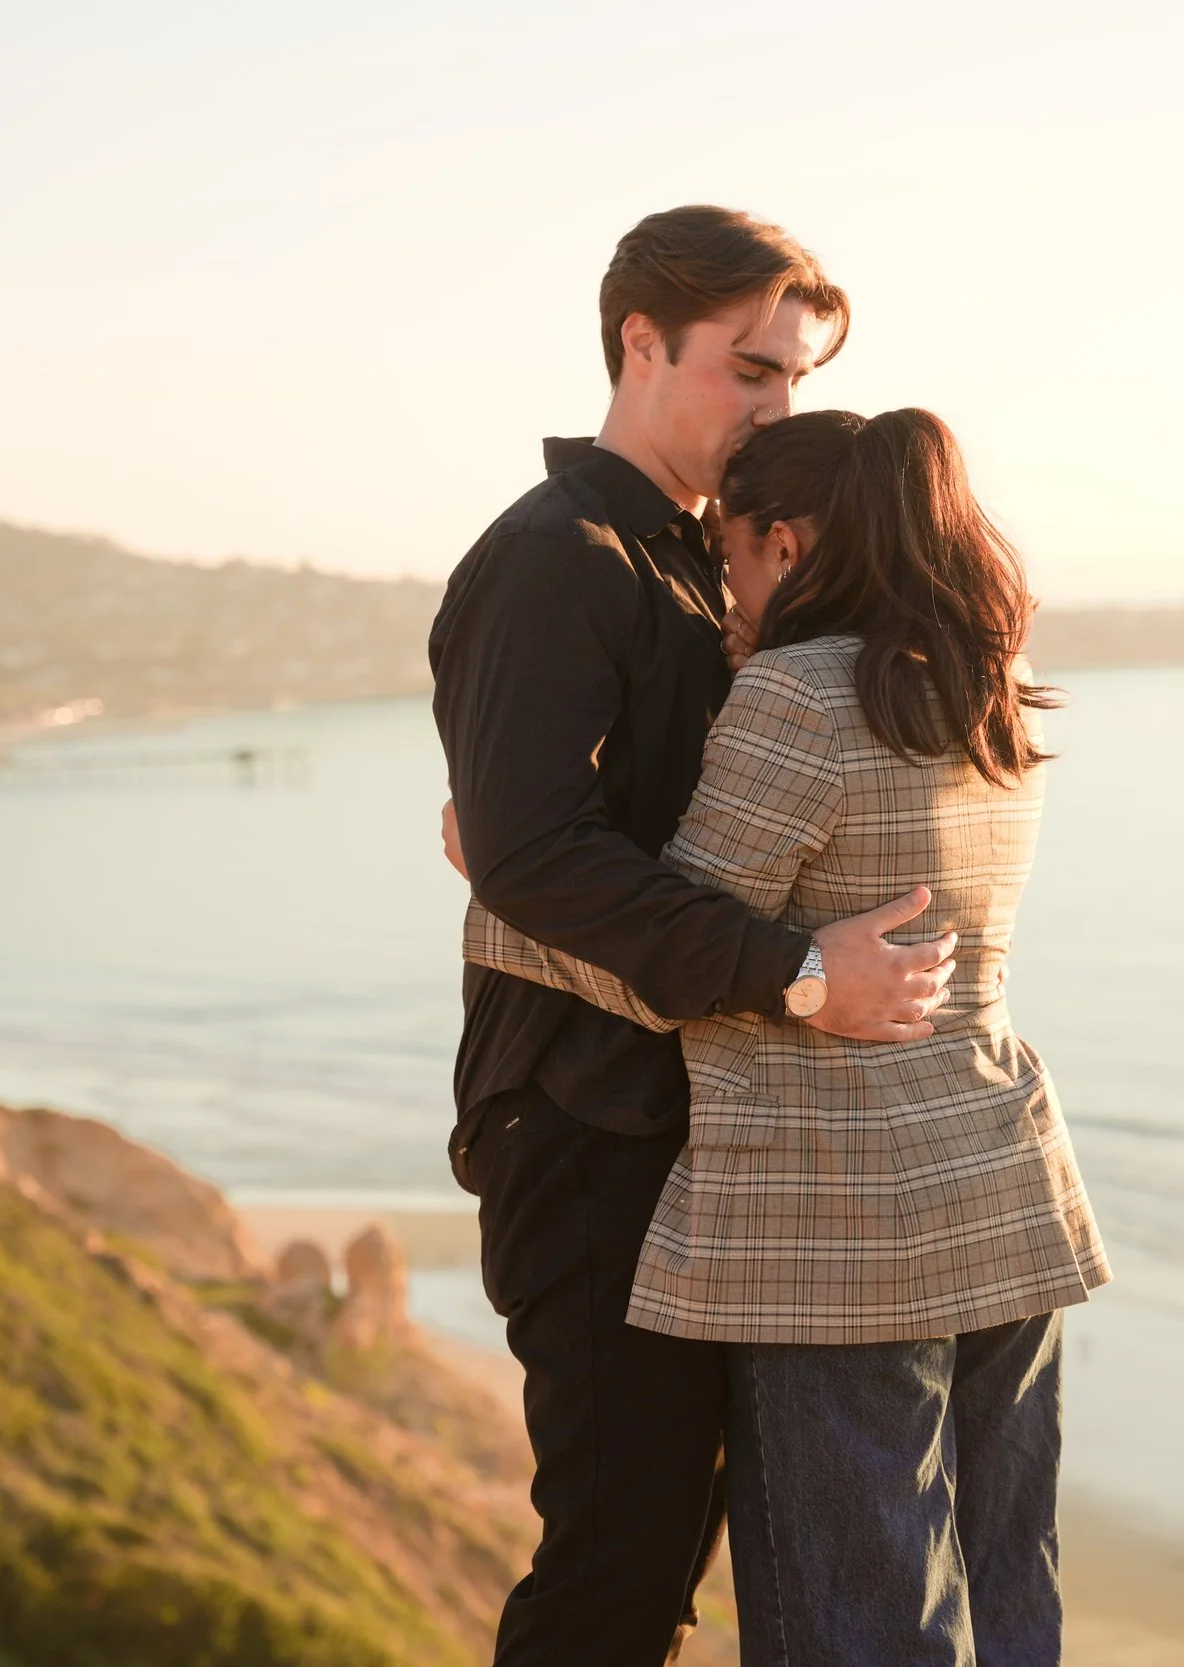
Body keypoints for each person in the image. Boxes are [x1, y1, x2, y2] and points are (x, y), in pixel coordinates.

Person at [460, 407, 1109, 1666]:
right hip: (1005, 1188)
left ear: (787, 539)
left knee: (859, 1628)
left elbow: (675, 954)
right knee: (1007, 1593)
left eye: (733, 560)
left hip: (839, 1229)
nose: (725, 597)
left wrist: (494, 880)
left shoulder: (799, 696)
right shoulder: (989, 693)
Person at [427, 207, 959, 1667]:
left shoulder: (683, 564)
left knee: (673, 1562)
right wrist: (798, 971)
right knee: (618, 1560)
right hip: (583, 1127)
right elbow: (535, 851)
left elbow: (580, 839)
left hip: (676, 1123)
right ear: (638, 343)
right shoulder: (562, 557)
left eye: (791, 377)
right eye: (749, 370)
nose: (777, 407)